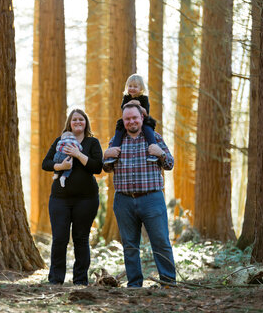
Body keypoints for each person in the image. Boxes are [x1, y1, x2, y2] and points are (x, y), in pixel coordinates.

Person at [103, 103, 176, 288]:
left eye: (135, 118)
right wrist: (106, 155)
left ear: (142, 118)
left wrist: (160, 154)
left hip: (152, 199)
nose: (131, 121)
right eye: (127, 119)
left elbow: (169, 164)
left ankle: (168, 282)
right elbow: (107, 168)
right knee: (129, 245)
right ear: (123, 121)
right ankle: (134, 284)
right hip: (124, 200)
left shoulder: (154, 138)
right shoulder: (116, 141)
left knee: (160, 242)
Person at [42, 108, 103, 285]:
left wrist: (78, 154)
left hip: (86, 199)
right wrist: (60, 167)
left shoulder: (92, 143)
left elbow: (97, 167)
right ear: (69, 123)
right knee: (59, 238)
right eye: (74, 119)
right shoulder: (60, 141)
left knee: (81, 239)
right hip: (60, 199)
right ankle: (55, 280)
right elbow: (46, 163)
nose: (77, 122)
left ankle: (80, 280)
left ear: (86, 123)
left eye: (81, 120)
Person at [104, 74, 158, 164]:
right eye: (130, 86)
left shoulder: (144, 98)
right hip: (127, 119)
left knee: (148, 130)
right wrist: (132, 103)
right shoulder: (126, 97)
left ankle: (153, 151)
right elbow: (123, 108)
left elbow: (146, 112)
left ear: (141, 88)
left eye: (135, 86)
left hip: (143, 120)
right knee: (119, 131)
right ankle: (113, 153)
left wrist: (138, 105)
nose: (132, 88)